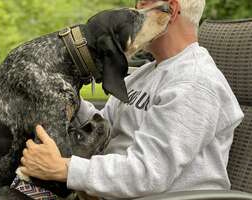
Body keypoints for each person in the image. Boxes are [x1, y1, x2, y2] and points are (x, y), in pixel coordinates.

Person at [19, 0, 244, 199]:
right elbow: (103, 128)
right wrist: (60, 94)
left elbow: (148, 172)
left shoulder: (194, 83)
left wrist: (64, 169)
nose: (133, 10)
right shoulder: (147, 74)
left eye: (142, 3)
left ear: (170, 11)